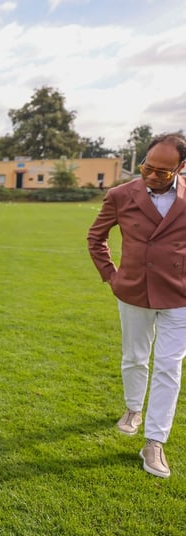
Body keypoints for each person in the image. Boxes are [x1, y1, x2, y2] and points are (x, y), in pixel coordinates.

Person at [87, 132, 186, 479]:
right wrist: (111, 276)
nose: (152, 176)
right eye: (147, 167)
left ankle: (154, 441)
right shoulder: (120, 195)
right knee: (134, 357)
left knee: (169, 367)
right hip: (133, 292)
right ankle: (133, 409)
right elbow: (96, 238)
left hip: (179, 295)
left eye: (163, 171)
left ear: (181, 167)